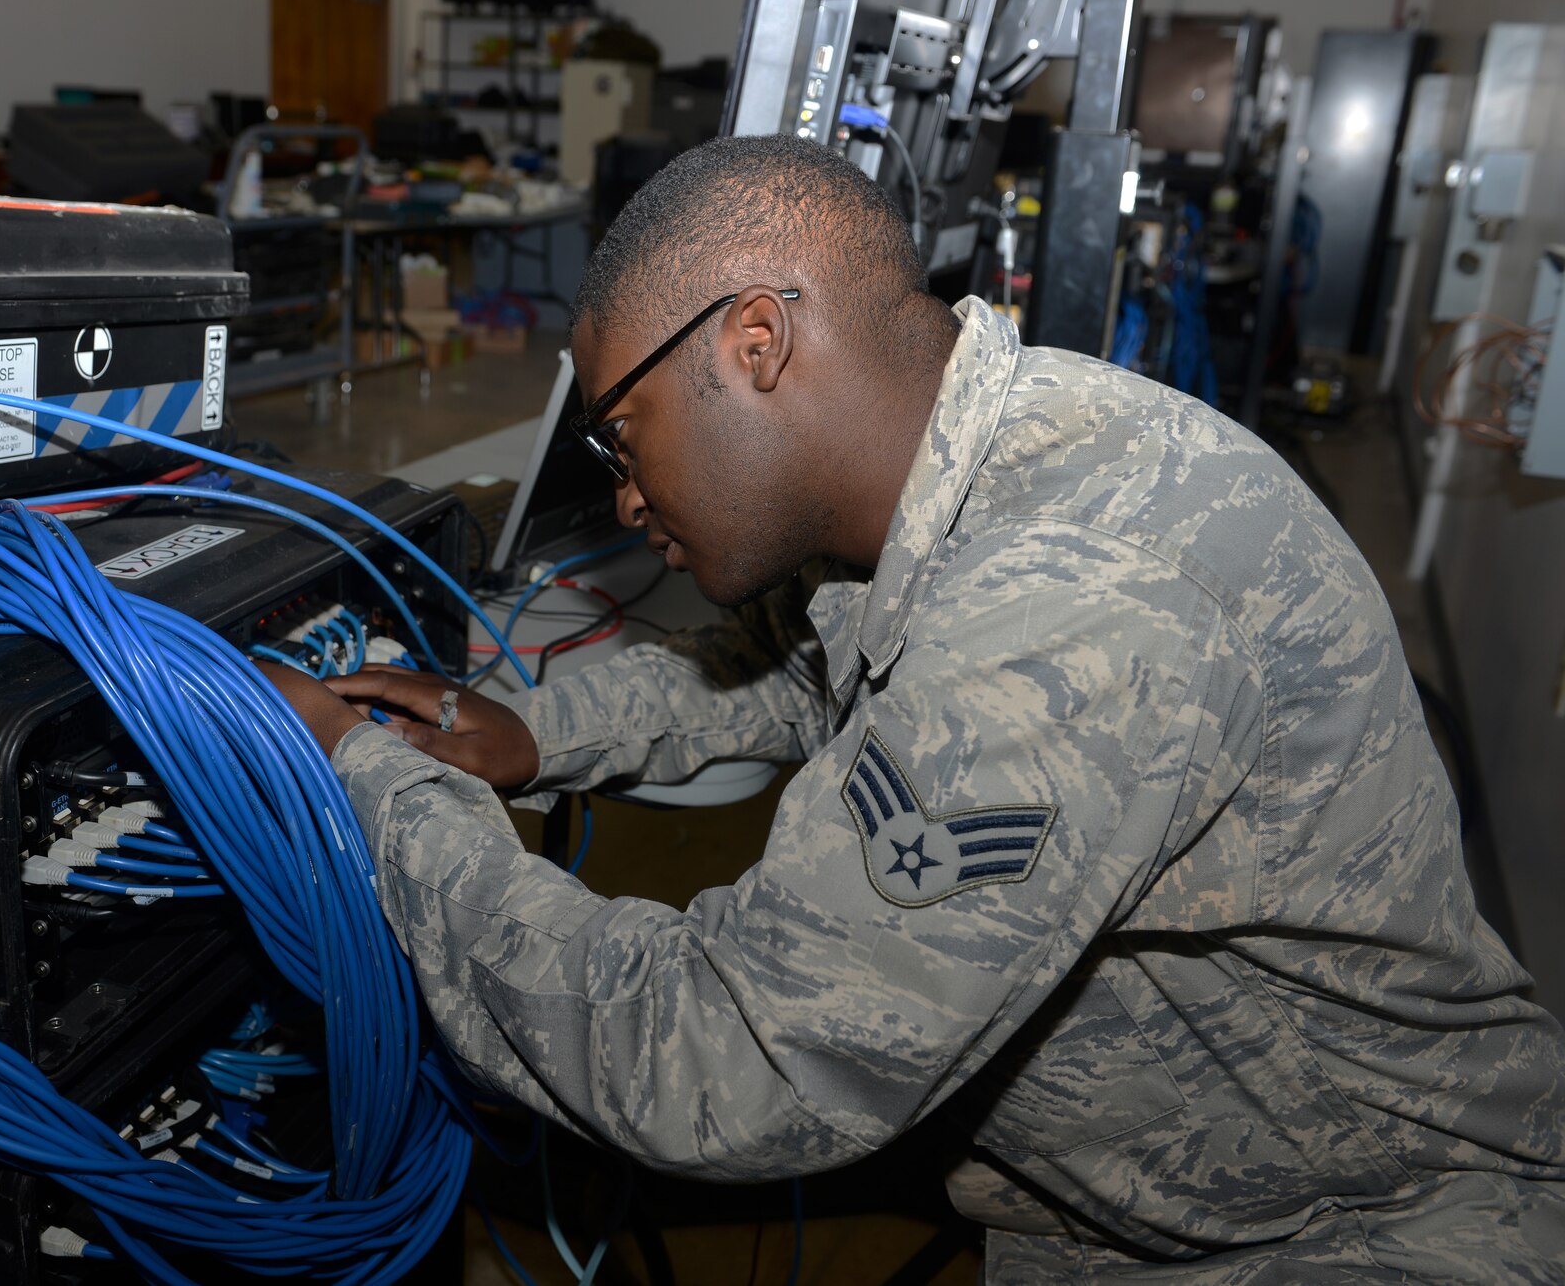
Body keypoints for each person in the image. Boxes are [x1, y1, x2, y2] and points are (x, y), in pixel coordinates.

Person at [260, 134, 1565, 1281]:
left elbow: (724, 1061)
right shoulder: (978, 455)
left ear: (755, 341)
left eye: (621, 433)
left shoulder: (1070, 614)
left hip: (1359, 1232)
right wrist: (544, 731)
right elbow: (794, 660)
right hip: (1160, 1193)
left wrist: (375, 786)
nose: (624, 497)